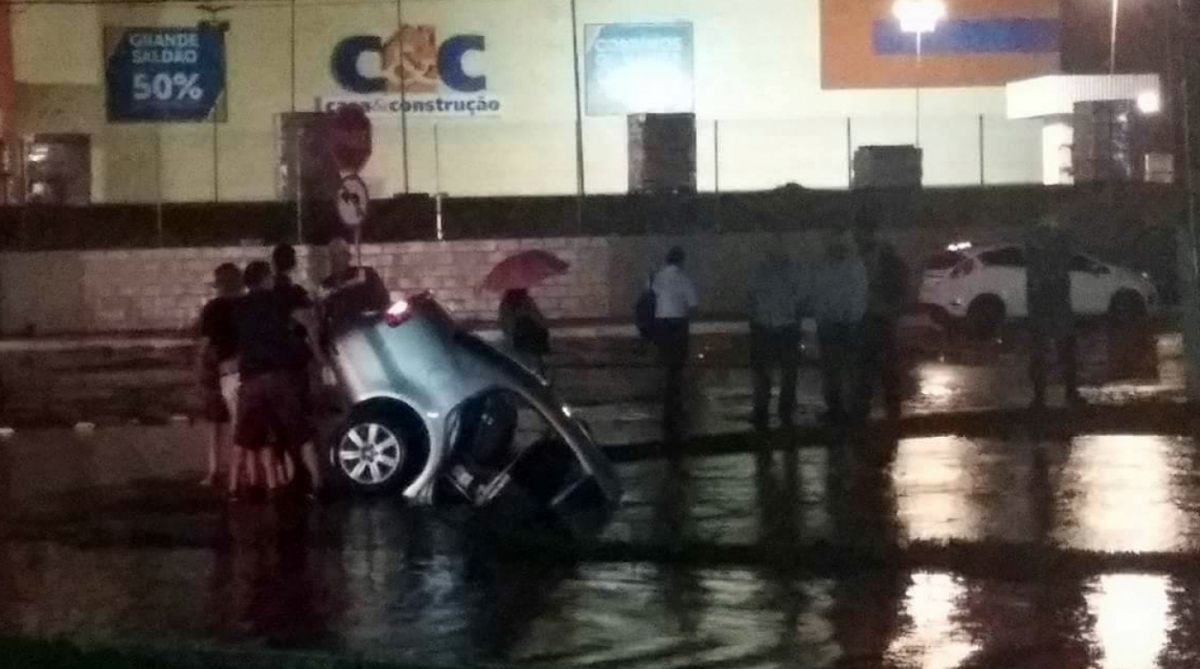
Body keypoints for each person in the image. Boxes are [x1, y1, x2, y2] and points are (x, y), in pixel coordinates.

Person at [229, 260, 324, 500]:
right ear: (265, 279)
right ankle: (317, 484)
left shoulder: (239, 306)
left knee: (245, 436)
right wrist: (317, 352)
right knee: (301, 432)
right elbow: (307, 319)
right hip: (282, 375)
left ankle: (238, 489)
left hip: (251, 379)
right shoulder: (278, 300)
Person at [854, 214, 909, 422]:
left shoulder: (880, 256)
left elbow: (897, 283)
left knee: (877, 366)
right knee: (872, 367)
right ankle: (882, 409)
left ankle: (888, 409)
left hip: (879, 316)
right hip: (873, 316)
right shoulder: (875, 254)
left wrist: (889, 303)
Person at [811, 228, 868, 428]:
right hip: (839, 324)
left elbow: (854, 296)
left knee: (839, 370)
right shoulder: (852, 266)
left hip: (841, 325)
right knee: (838, 370)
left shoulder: (844, 267)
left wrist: (830, 317)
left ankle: (843, 410)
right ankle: (841, 410)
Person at [747, 236, 804, 431]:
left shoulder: (759, 272)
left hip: (765, 327)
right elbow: (801, 298)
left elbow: (751, 299)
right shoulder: (794, 273)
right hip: (787, 327)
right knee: (788, 372)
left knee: (763, 373)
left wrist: (754, 322)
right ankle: (785, 410)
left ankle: (761, 410)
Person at [271, 243, 316, 487]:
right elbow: (309, 324)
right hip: (295, 362)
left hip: (272, 363)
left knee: (278, 420)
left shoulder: (267, 294)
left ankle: (284, 472)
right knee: (299, 417)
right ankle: (305, 473)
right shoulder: (296, 293)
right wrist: (319, 357)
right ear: (294, 263)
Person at [1026, 212, 1081, 409]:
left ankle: (1043, 397)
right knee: (1061, 350)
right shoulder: (1055, 243)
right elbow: (1061, 266)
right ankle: (1066, 394)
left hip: (1044, 304)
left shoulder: (1035, 243)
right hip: (1053, 302)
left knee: (1045, 352)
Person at [198, 262, 243, 487]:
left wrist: (198, 366)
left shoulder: (212, 308)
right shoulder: (246, 305)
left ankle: (214, 470)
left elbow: (205, 342)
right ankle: (240, 470)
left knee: (214, 422)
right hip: (242, 367)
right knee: (239, 424)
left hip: (216, 368)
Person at [650, 246, 698, 436]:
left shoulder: (659, 277)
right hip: (678, 324)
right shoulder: (684, 279)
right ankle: (675, 403)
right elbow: (693, 305)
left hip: (662, 324)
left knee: (667, 363)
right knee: (677, 365)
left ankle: (669, 401)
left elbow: (652, 295)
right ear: (681, 260)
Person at [318, 237, 391, 348]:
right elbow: (324, 320)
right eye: (333, 255)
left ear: (348, 257)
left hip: (368, 334)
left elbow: (383, 302)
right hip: (343, 342)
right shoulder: (326, 285)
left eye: (340, 255)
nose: (336, 259)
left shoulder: (366, 275)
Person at [498, 288, 550, 375]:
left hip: (517, 338)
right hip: (529, 337)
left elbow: (503, 324)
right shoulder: (527, 302)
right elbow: (538, 318)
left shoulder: (505, 304)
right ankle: (539, 369)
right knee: (534, 353)